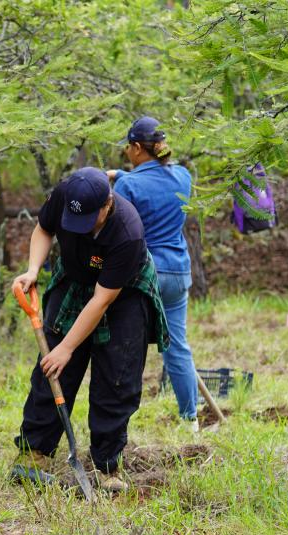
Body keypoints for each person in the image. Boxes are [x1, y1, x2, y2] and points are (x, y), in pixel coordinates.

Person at [10, 167, 169, 492]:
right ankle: (34, 452)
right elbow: (43, 229)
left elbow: (101, 300)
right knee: (50, 368)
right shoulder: (65, 195)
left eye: (88, 220)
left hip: (123, 293)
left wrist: (67, 348)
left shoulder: (127, 231)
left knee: (116, 378)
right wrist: (33, 270)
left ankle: (107, 465)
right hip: (75, 278)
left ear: (107, 204)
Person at [108, 116, 200, 431]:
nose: (126, 152)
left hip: (145, 275)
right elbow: (155, 185)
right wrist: (121, 174)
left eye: (127, 147)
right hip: (177, 272)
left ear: (137, 147)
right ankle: (190, 419)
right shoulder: (183, 176)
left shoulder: (127, 187)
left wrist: (119, 178)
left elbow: (120, 227)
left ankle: (117, 423)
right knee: (177, 347)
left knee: (127, 345)